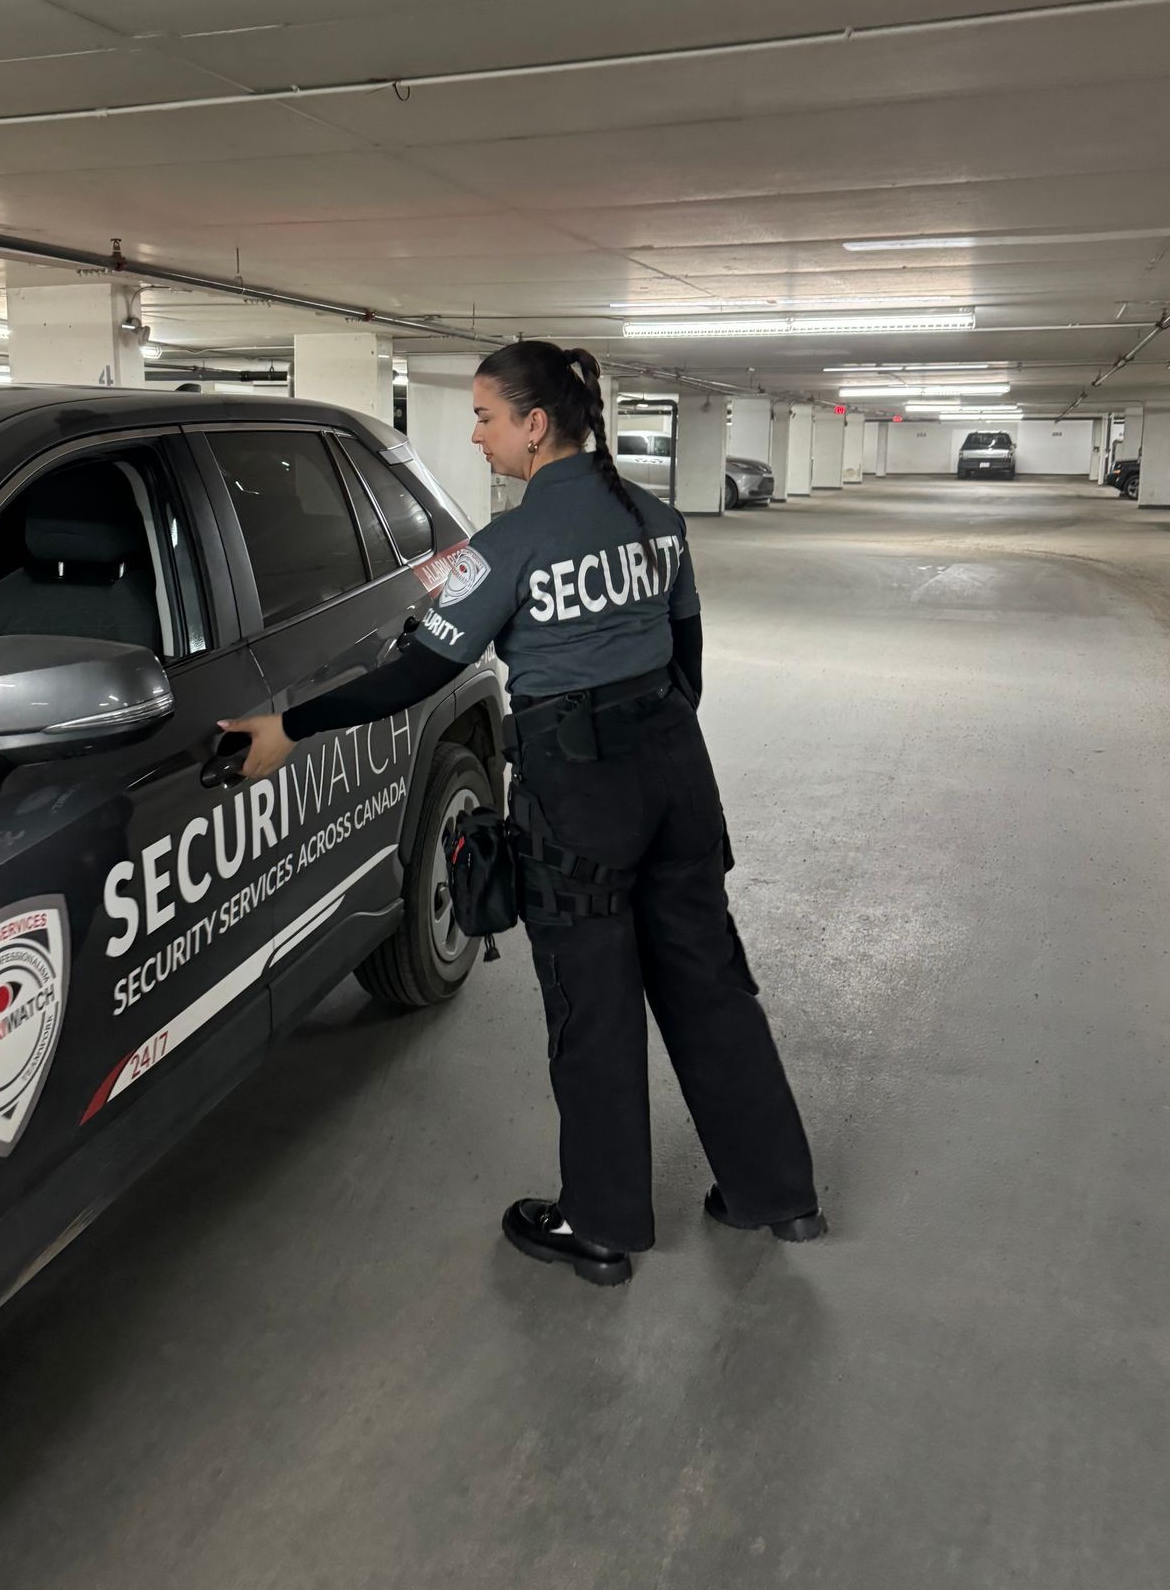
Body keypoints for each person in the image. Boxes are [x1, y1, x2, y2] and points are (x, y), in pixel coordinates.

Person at [222, 340, 823, 1287]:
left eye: (485, 416)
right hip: (676, 773)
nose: (477, 434)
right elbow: (687, 667)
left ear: (535, 425)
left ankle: (604, 1223)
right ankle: (775, 1193)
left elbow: (418, 673)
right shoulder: (659, 522)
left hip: (580, 794)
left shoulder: (507, 547)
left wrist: (290, 726)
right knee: (709, 979)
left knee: (593, 1005)